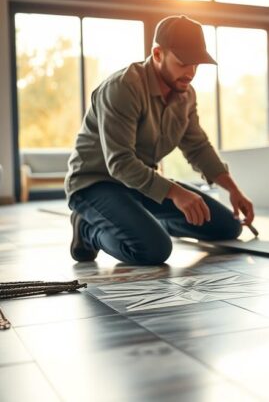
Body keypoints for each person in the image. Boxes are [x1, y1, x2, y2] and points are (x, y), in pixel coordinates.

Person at [65, 15, 254, 266]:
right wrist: (175, 193)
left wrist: (233, 189)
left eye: (196, 64)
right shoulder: (122, 87)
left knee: (228, 226)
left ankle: (145, 223)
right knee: (153, 250)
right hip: (95, 184)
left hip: (140, 185)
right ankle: (87, 231)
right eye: (183, 63)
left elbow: (197, 147)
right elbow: (120, 163)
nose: (191, 73)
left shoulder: (185, 94)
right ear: (157, 54)